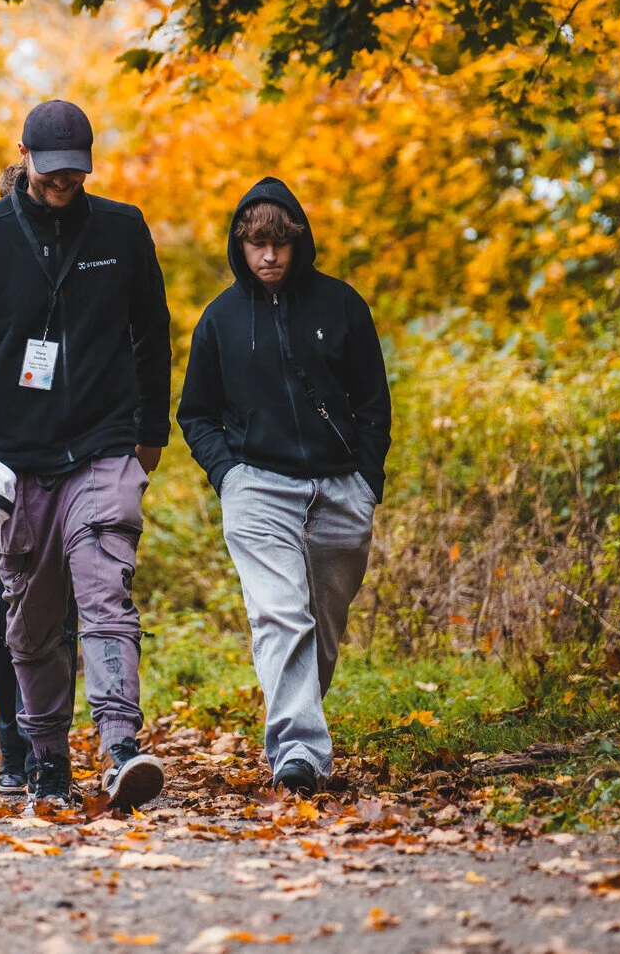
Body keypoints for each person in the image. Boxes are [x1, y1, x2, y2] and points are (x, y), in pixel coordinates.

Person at [0, 98, 173, 811]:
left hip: (103, 444)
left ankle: (122, 747)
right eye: (52, 171)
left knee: (105, 590)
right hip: (11, 460)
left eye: (75, 172)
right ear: (24, 157)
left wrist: (152, 431)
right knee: (29, 619)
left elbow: (153, 332)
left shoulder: (121, 229)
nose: (63, 182)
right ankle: (48, 760)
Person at [177, 179, 392, 795]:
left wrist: (366, 478)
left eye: (279, 244)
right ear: (239, 247)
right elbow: (195, 413)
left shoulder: (342, 306)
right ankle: (298, 754)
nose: (268, 256)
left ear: (298, 243)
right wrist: (230, 477)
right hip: (258, 487)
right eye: (255, 245)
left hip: (339, 487)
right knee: (280, 615)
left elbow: (373, 402)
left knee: (321, 623)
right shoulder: (219, 319)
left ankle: (301, 721)